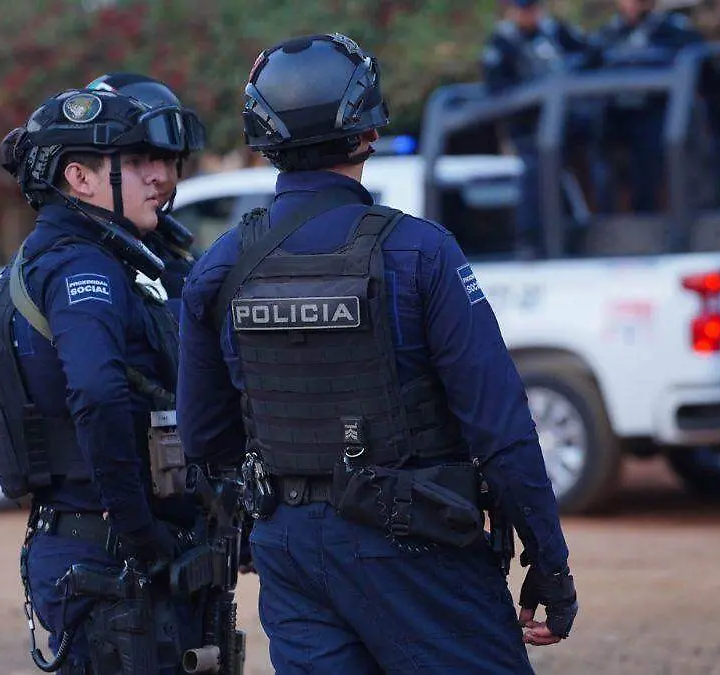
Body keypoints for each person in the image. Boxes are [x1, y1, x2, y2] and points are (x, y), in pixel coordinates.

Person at [177, 33, 578, 674]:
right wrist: (548, 560)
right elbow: (500, 426)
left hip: (292, 549)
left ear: (261, 137)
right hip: (417, 541)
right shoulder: (422, 253)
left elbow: (203, 437)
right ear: (367, 131)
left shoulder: (218, 268)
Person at [0, 88, 203, 674]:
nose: (161, 177)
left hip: (92, 550)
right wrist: (140, 529)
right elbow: (97, 394)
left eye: (164, 162)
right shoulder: (81, 265)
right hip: (112, 561)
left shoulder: (58, 257)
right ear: (79, 178)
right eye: (139, 162)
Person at [87, 72, 208, 318]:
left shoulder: (176, 255)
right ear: (83, 174)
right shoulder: (73, 270)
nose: (161, 176)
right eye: (137, 160)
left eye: (170, 159)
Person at [482, 0, 592, 254]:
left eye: (532, 7)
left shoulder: (556, 32)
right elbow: (497, 88)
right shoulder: (503, 42)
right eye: (523, 9)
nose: (529, 14)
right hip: (528, 129)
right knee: (535, 175)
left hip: (567, 125)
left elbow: (590, 55)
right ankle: (532, 241)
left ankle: (578, 234)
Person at [591, 0, 705, 213]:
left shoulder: (673, 30)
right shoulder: (608, 34)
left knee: (653, 168)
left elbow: (696, 61)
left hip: (659, 116)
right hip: (617, 120)